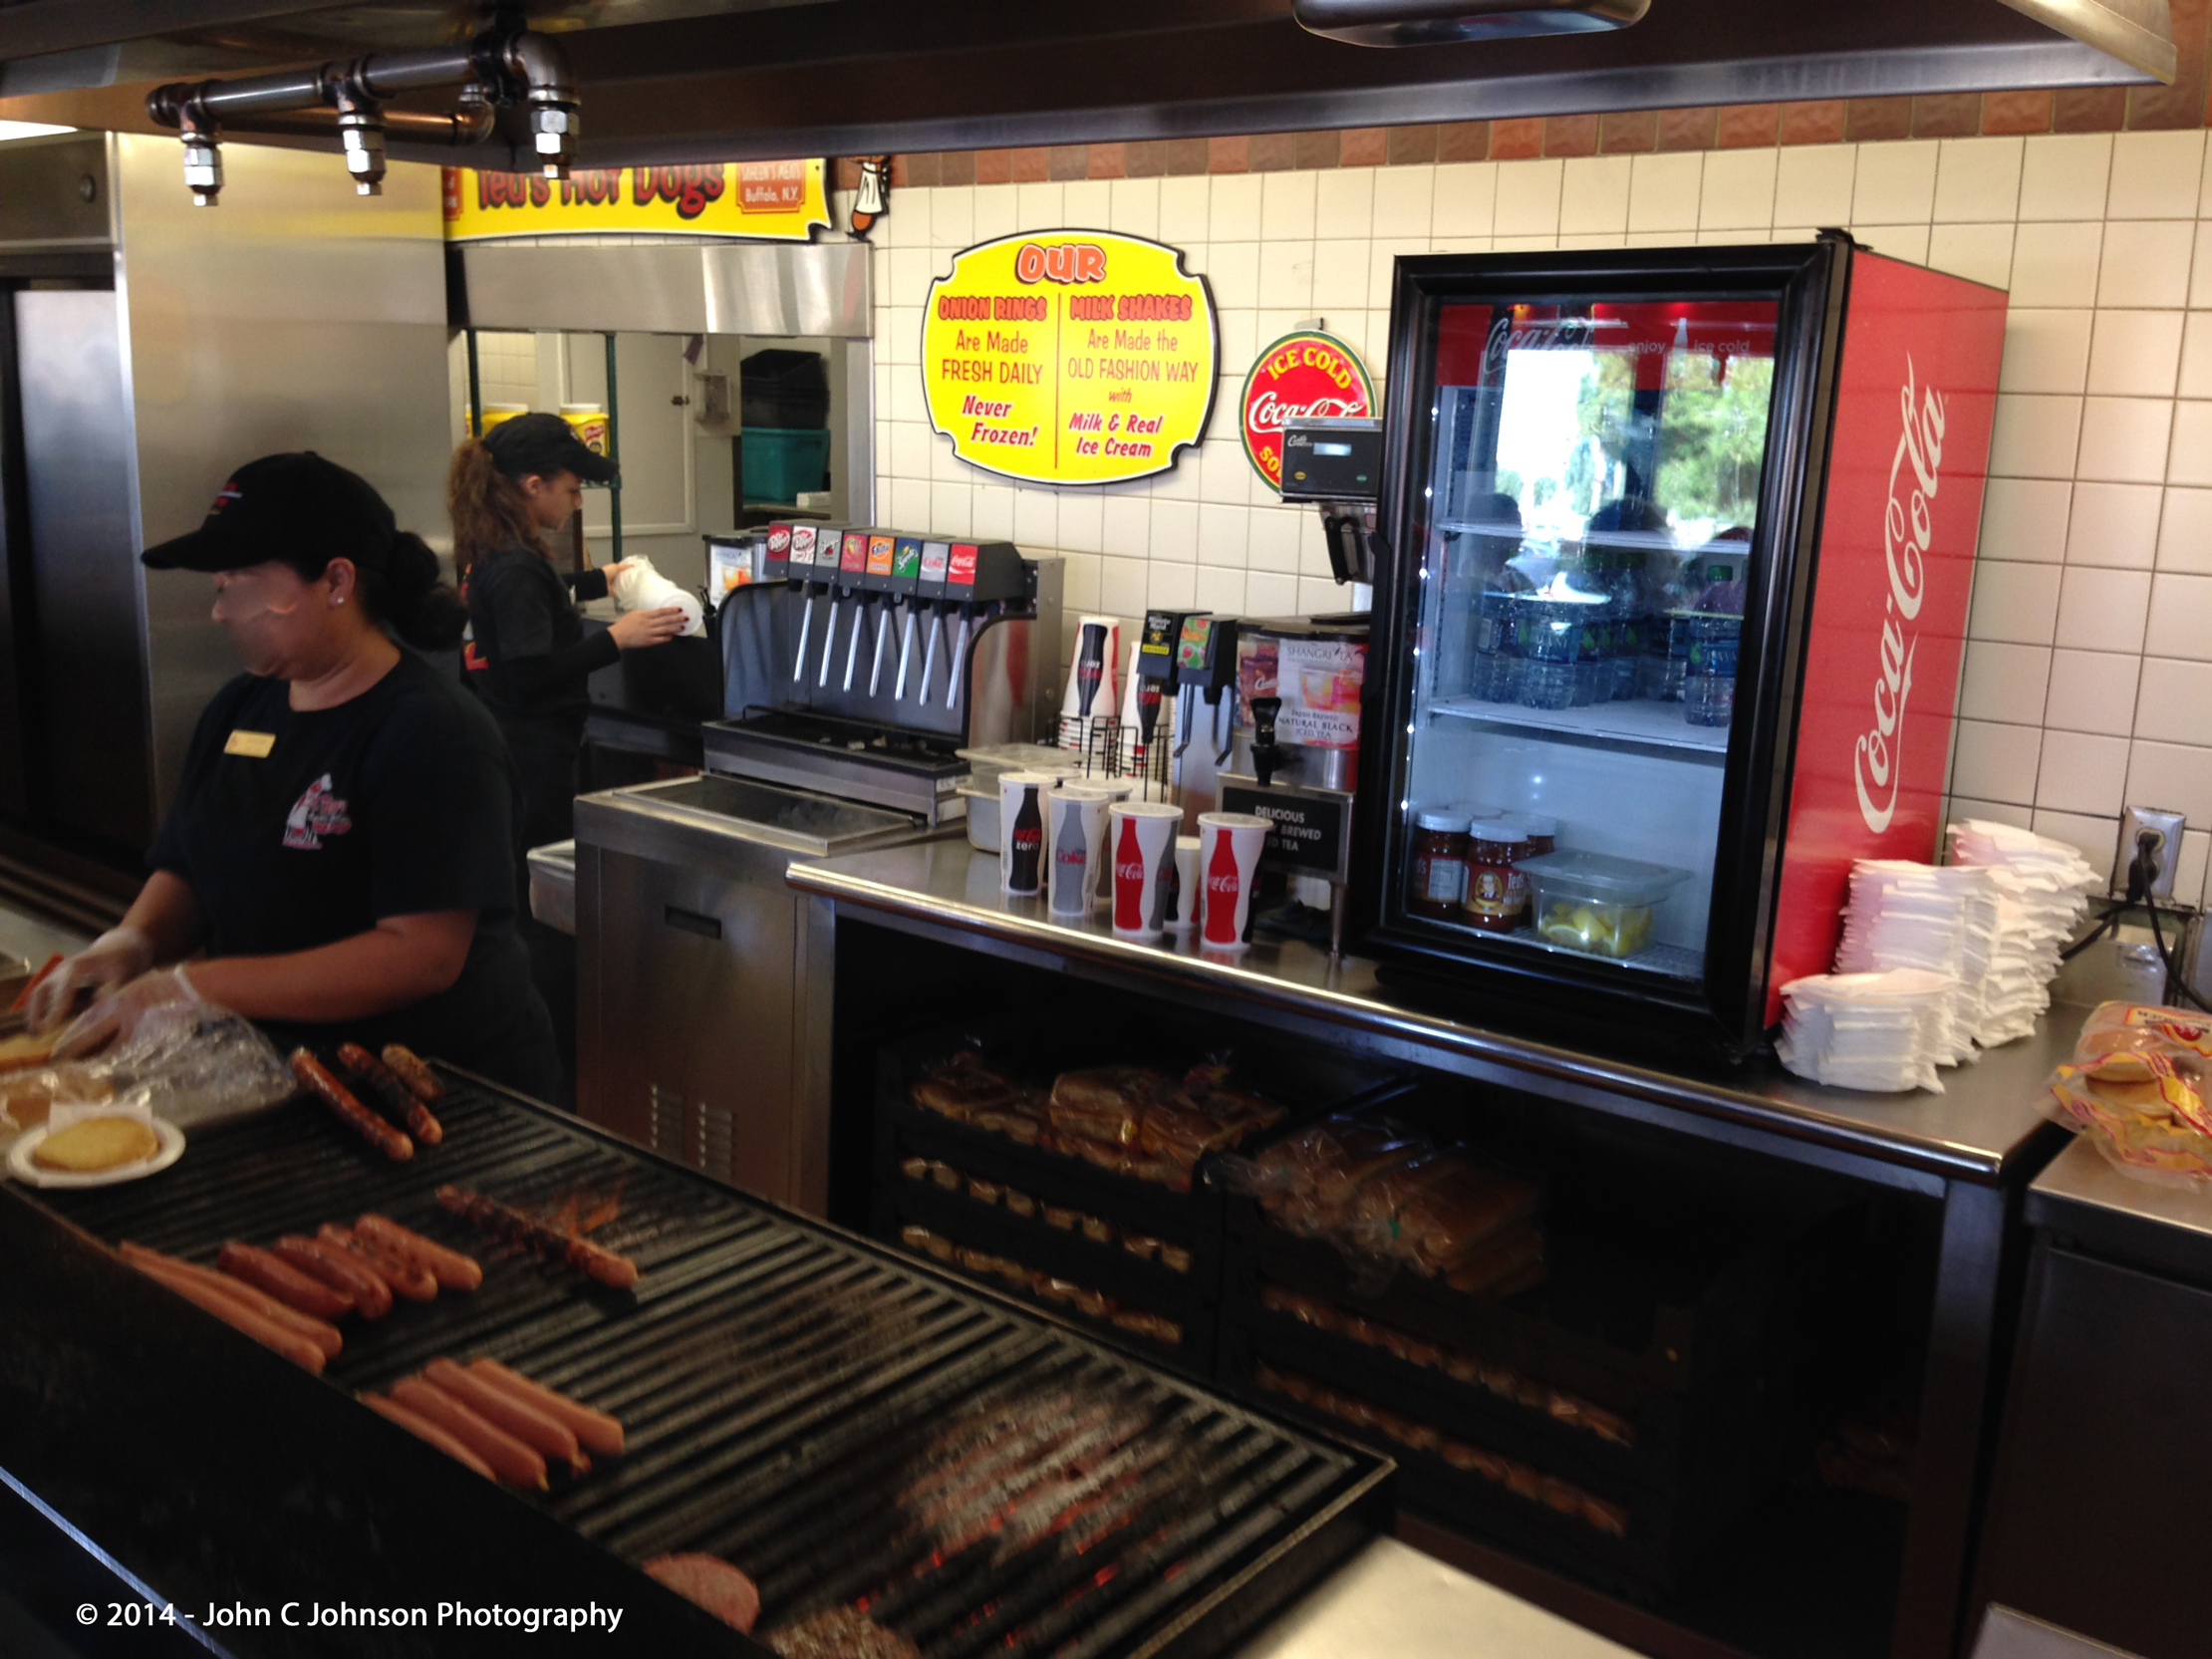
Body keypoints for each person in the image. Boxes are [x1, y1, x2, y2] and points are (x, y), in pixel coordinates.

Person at [28, 452, 559, 1099]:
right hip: (287, 1077)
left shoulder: (433, 731)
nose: (222, 611)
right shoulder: (239, 707)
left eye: (241, 584)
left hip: (436, 1088)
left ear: (336, 580)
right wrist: (131, 942)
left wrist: (196, 987)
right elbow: (191, 862)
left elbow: (421, 954)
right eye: (220, 586)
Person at [449, 413, 686, 854]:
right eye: (573, 490)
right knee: (538, 865)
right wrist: (616, 638)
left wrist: (600, 579)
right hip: (532, 754)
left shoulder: (490, 549)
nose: (577, 503)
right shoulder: (517, 566)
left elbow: (532, 597)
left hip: (502, 738)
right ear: (534, 486)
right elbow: (530, 674)